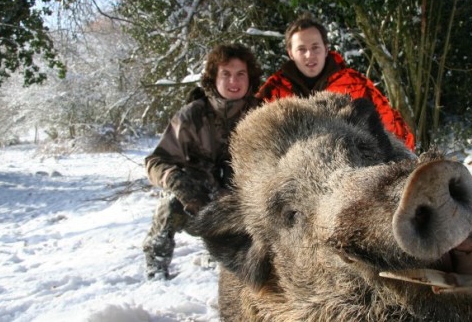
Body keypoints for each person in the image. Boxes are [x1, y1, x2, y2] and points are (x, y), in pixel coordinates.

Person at [142, 43, 262, 280]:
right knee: (171, 203)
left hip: (243, 203)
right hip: (199, 201)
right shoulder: (191, 116)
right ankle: (156, 263)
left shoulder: (261, 114)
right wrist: (175, 180)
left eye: (240, 74)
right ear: (213, 78)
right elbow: (155, 161)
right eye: (225, 74)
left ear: (251, 78)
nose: (233, 81)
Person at [257, 14, 416, 151]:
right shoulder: (273, 93)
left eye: (315, 47)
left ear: (326, 49)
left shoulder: (355, 85)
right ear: (290, 53)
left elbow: (396, 131)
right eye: (301, 49)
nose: (309, 55)